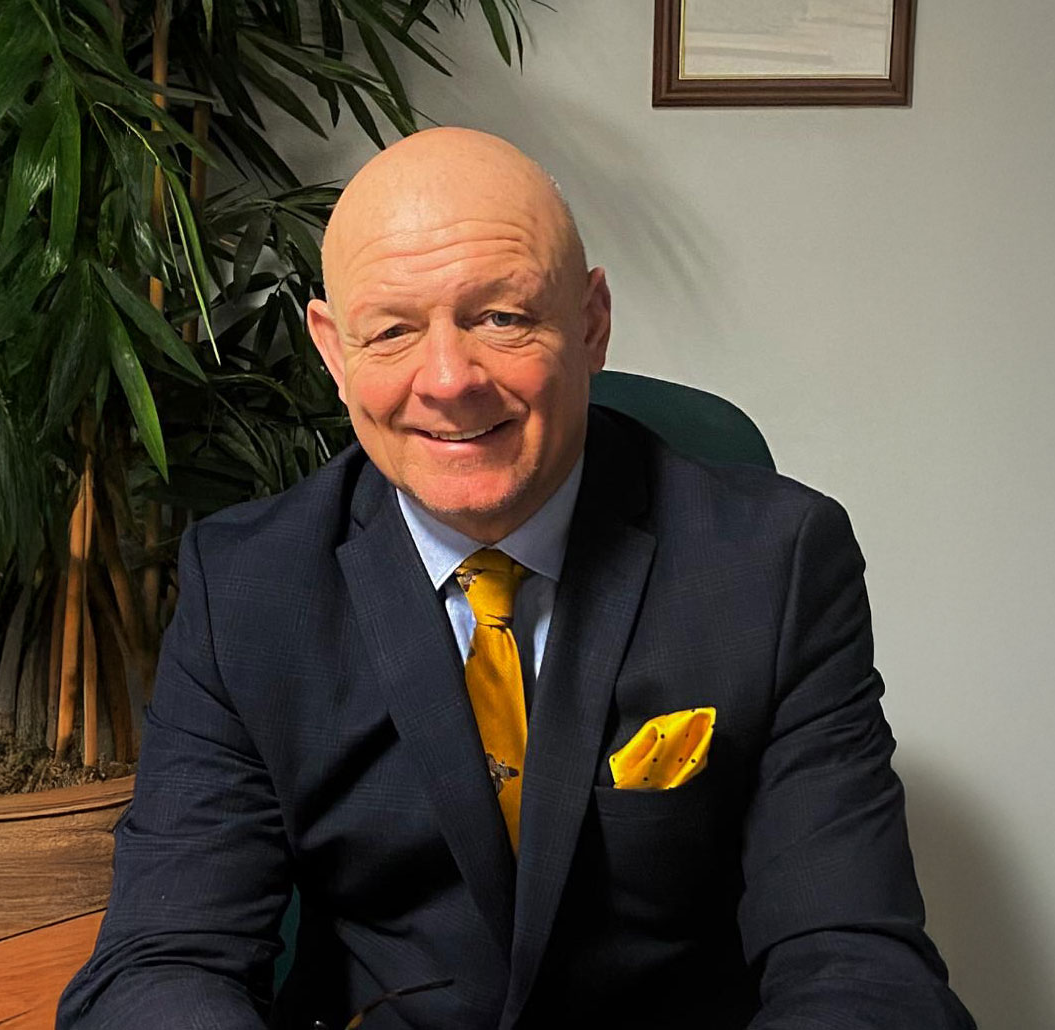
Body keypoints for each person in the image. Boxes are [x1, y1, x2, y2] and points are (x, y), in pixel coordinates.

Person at [58, 128, 974, 1029]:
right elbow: (166, 958)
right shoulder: (246, 586)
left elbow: (853, 957)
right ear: (335, 354)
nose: (449, 379)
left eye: (501, 317)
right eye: (390, 330)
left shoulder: (774, 562)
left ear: (590, 322)